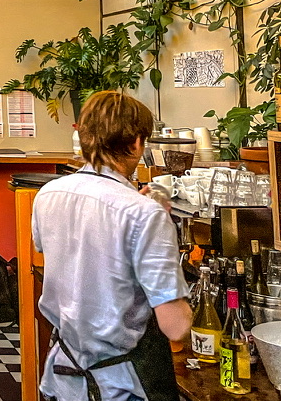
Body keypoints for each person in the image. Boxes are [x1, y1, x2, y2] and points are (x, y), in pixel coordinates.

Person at [32, 91, 191, 401]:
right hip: (120, 386)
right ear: (136, 143)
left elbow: (75, 253)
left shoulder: (48, 194)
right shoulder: (144, 214)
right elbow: (176, 326)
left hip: (63, 377)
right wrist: (156, 226)